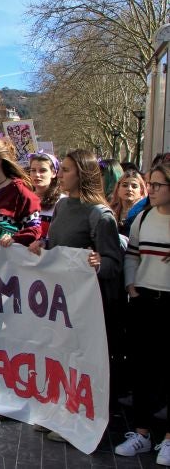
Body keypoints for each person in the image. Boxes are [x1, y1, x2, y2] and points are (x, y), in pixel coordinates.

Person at [28, 149, 124, 442]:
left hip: (88, 304)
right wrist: (41, 245)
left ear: (82, 173)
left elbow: (113, 263)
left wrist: (99, 263)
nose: (61, 174)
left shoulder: (100, 214)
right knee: (60, 357)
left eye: (67, 169)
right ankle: (59, 413)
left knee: (81, 362)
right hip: (61, 300)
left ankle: (81, 419)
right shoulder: (62, 207)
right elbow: (57, 244)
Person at [114, 163, 170, 463]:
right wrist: (132, 286)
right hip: (145, 300)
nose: (152, 190)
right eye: (151, 184)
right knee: (143, 369)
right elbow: (133, 254)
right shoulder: (144, 218)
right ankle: (142, 433)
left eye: (158, 185)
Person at [28, 152, 63, 237]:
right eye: (33, 170)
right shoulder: (24, 199)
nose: (37, 175)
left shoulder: (62, 202)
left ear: (54, 173)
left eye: (43, 170)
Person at [110, 169, 146, 237]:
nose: (129, 189)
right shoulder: (111, 210)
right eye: (125, 185)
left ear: (141, 190)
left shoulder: (144, 212)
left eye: (134, 186)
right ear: (118, 189)